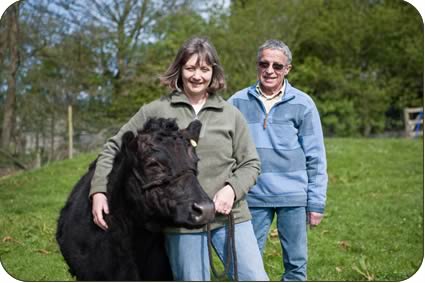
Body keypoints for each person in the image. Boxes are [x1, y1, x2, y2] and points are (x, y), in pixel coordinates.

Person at [89, 36, 269, 281]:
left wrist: (231, 190)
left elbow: (251, 162)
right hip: (182, 221)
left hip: (231, 218)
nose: (197, 76)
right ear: (179, 70)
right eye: (191, 68)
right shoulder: (156, 110)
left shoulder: (231, 114)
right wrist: (99, 190)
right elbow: (114, 147)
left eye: (205, 69)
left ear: (213, 72)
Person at [228, 39, 328, 281]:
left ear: (287, 69)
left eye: (277, 66)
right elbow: (225, 150)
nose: (270, 70)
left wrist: (316, 203)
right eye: (264, 64)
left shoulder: (303, 104)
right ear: (257, 65)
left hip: (294, 196)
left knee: (295, 266)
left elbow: (316, 156)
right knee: (243, 265)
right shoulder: (236, 102)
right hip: (251, 195)